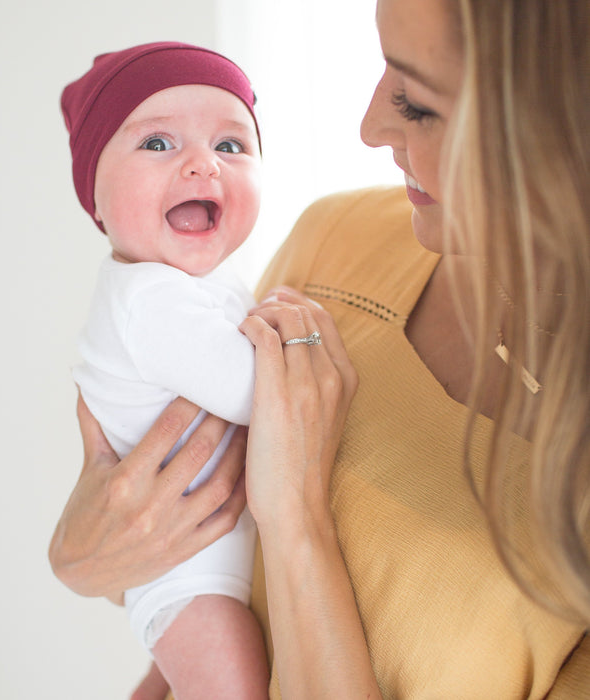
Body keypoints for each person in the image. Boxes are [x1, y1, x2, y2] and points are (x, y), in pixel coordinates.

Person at [50, 2, 590, 698]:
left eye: (417, 103)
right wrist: (82, 559)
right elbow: (203, 586)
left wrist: (298, 517)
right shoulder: (338, 236)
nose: (369, 126)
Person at [57, 42, 268, 699]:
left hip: (212, 556)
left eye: (231, 146)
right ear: (95, 201)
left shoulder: (203, 282)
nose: (203, 163)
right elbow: (253, 390)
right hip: (188, 580)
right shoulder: (147, 297)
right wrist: (296, 334)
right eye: (157, 144)